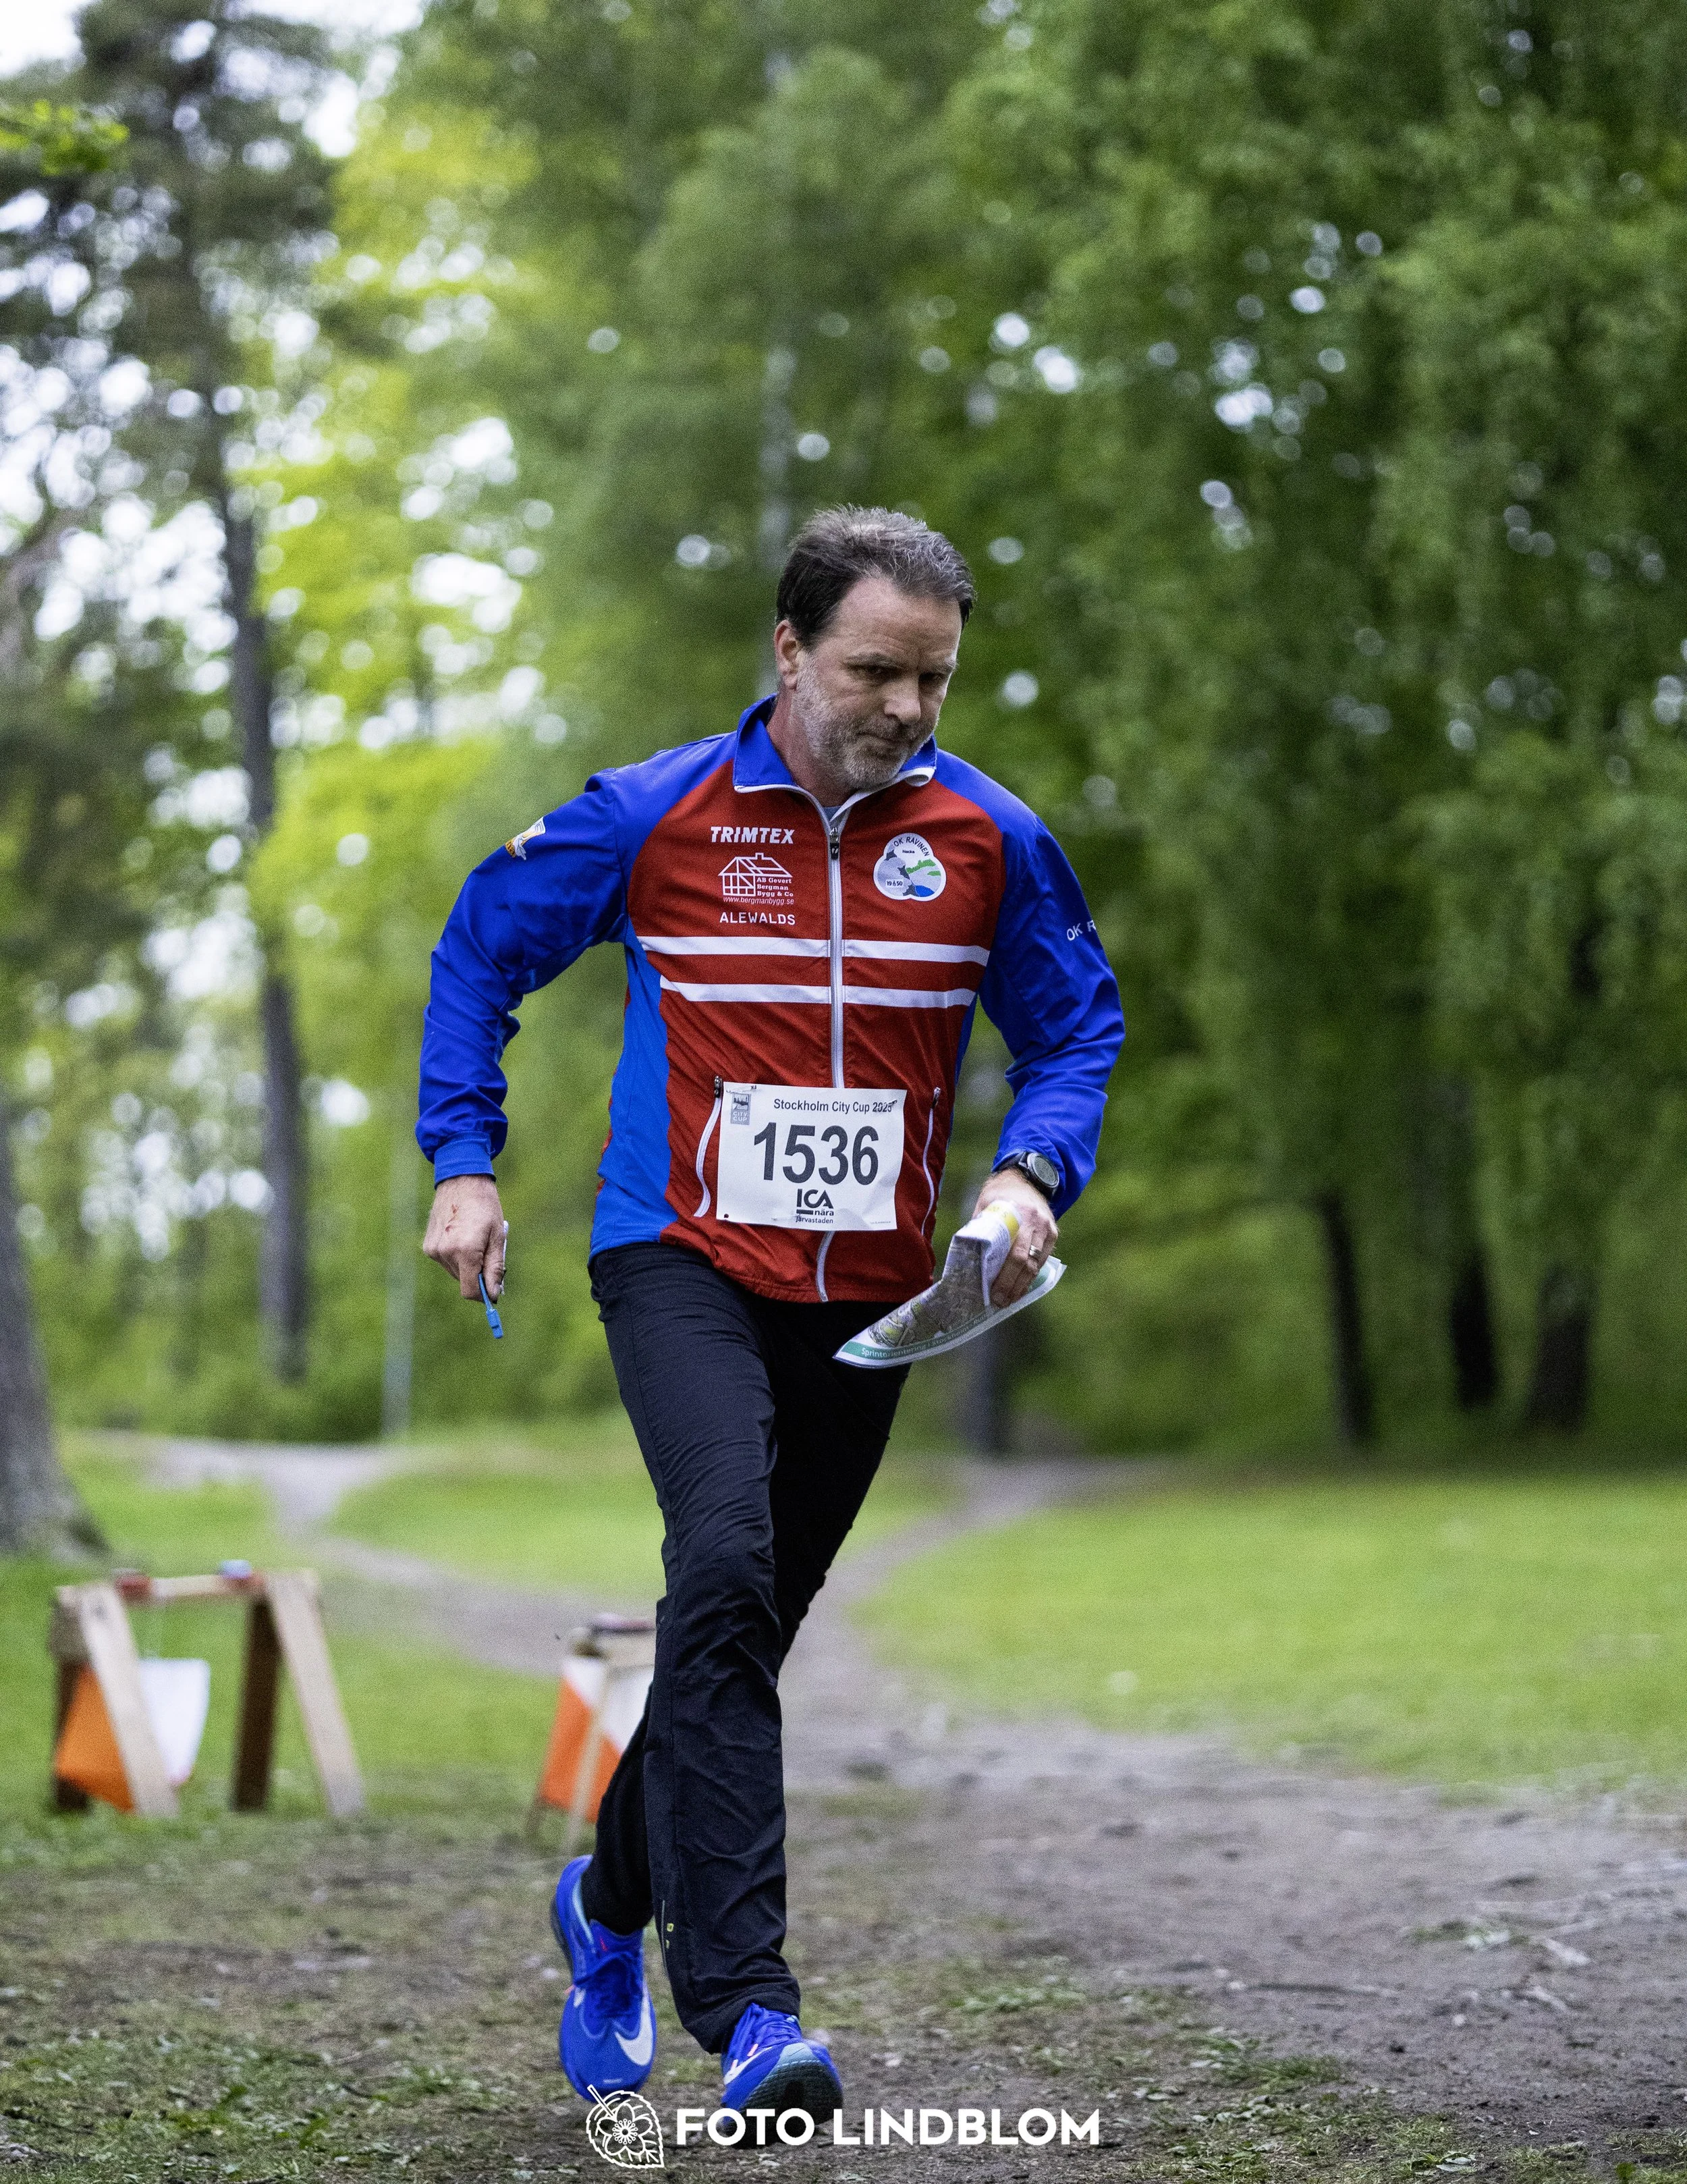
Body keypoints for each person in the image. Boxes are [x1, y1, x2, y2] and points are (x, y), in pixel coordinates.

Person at [418, 505, 1123, 2122]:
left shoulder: (987, 840)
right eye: (877, 668)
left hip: (879, 1303)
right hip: (675, 1258)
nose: (907, 707)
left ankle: (600, 1906)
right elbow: (478, 950)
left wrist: (1028, 1179)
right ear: (790, 651)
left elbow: (1076, 1030)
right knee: (722, 1564)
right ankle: (749, 2013)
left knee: (737, 1631)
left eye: (935, 679)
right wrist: (463, 1160)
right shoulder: (652, 815)